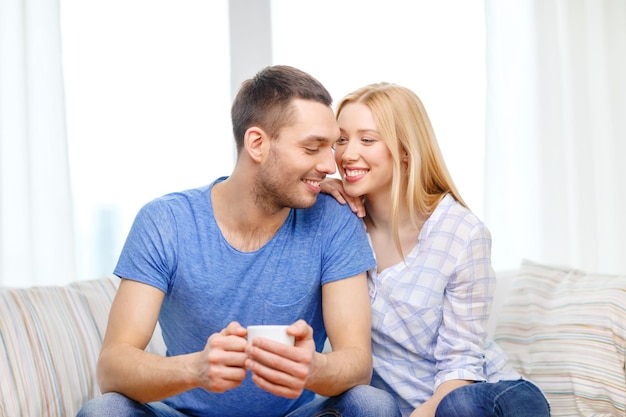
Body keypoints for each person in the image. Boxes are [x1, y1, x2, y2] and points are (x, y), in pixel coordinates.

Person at [77, 66, 401, 417]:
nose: (329, 165)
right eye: (312, 148)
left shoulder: (333, 219)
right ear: (257, 143)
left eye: (330, 146)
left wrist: (315, 369)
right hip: (183, 414)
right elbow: (113, 366)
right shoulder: (166, 222)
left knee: (371, 405)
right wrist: (195, 370)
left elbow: (357, 362)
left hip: (295, 414)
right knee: (104, 411)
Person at [322, 82, 550, 417]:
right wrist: (319, 189)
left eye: (367, 139)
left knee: (456, 407)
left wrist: (422, 414)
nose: (347, 153)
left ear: (404, 149)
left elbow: (462, 364)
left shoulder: (462, 232)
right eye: (341, 139)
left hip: (488, 393)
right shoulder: (342, 225)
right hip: (411, 405)